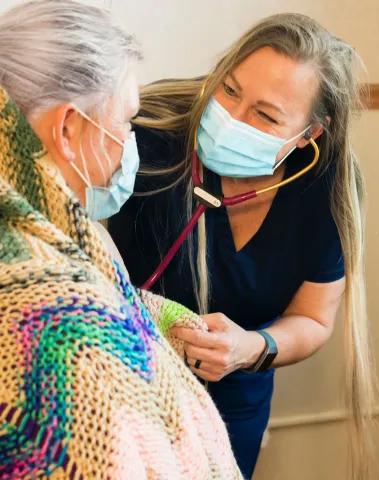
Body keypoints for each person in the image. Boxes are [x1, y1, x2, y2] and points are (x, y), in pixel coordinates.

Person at [110, 12, 375, 479]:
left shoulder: (324, 191)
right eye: (230, 90)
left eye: (266, 115)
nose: (230, 118)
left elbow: (313, 319)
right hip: (123, 378)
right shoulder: (150, 133)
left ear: (309, 134)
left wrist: (249, 347)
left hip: (233, 396)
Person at [0, 1, 241, 478]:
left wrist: (159, 315)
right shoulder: (60, 334)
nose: (129, 142)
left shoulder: (51, 230)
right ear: (69, 130)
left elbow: (107, 297)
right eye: (125, 120)